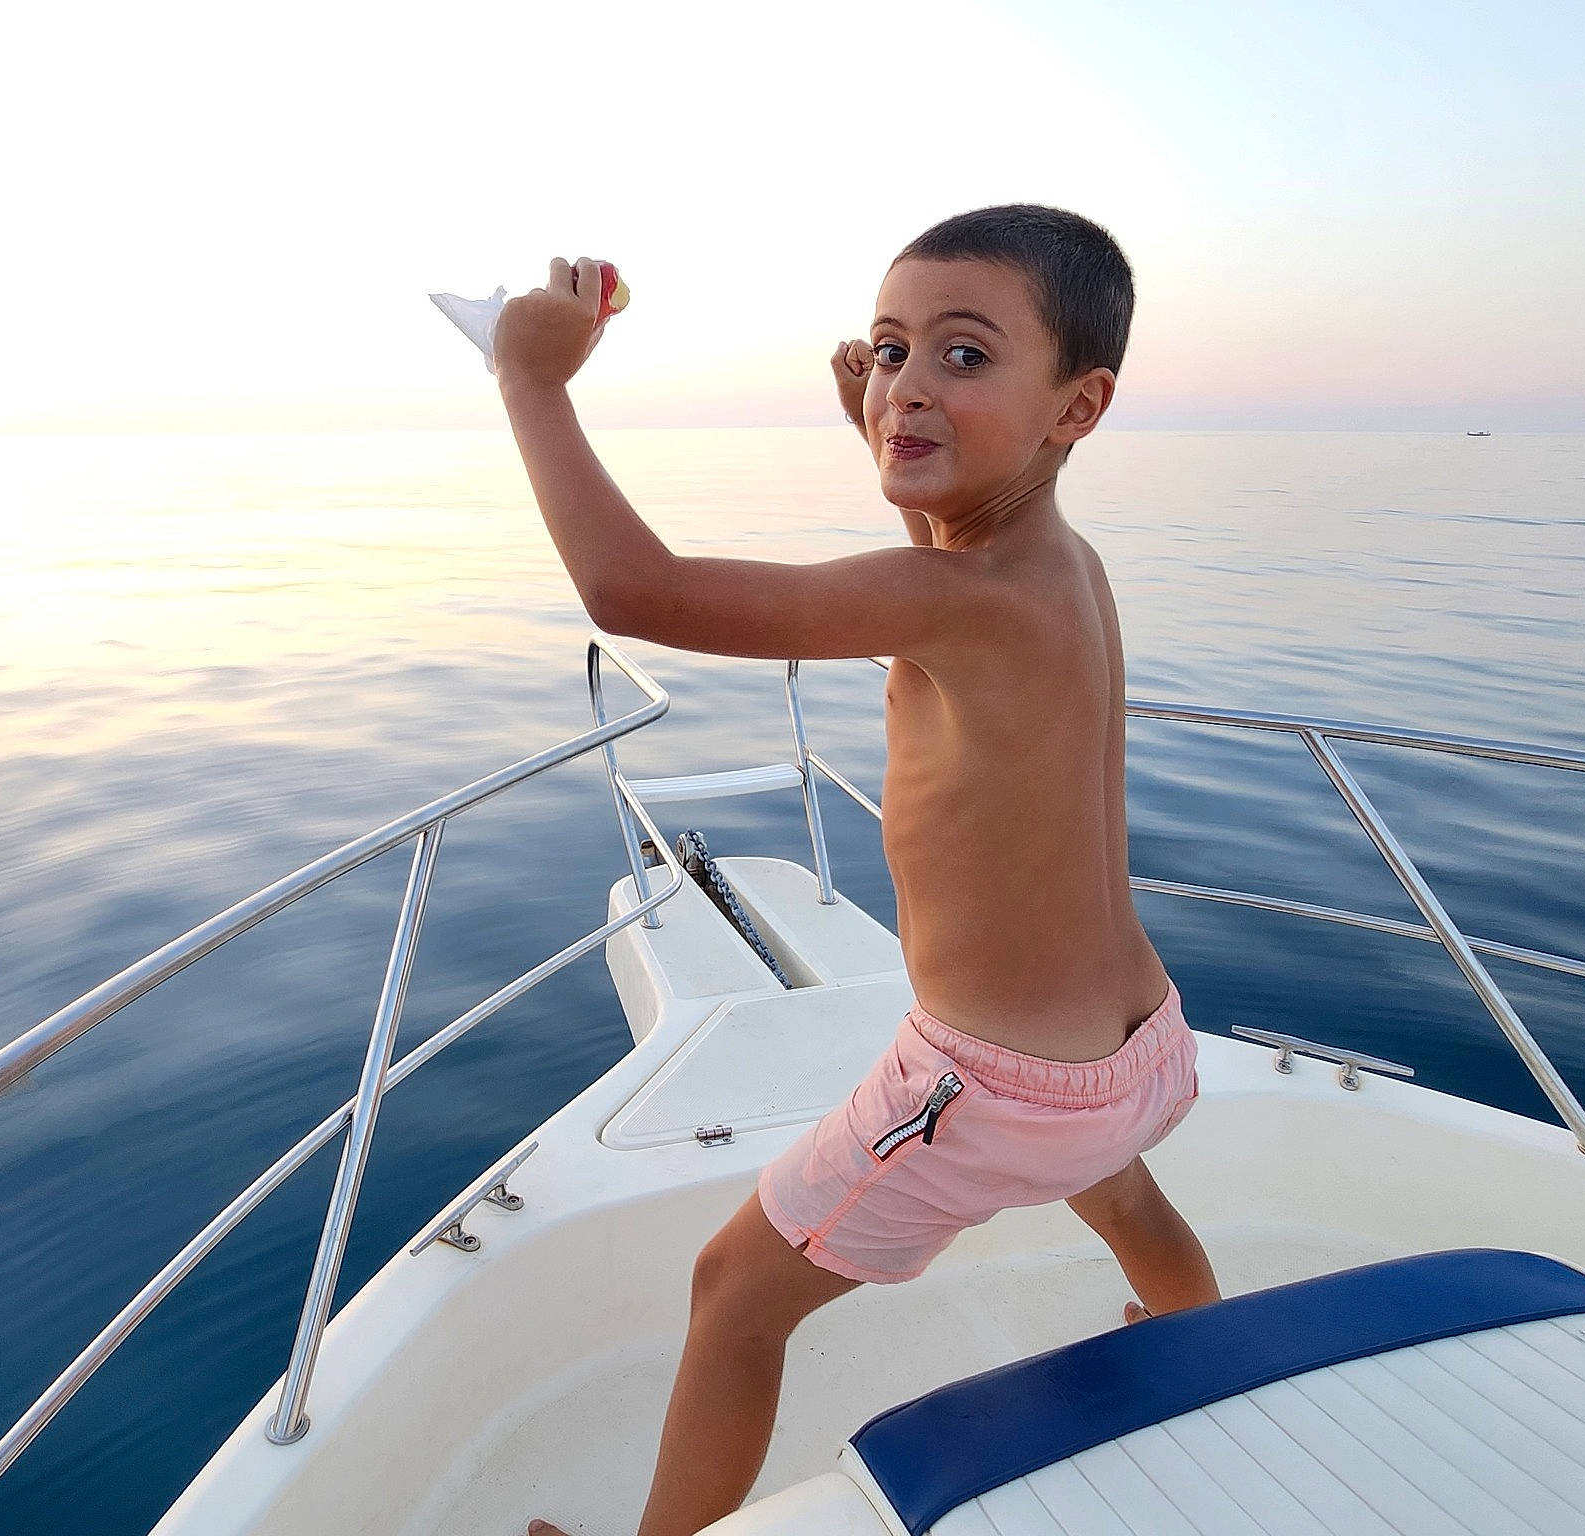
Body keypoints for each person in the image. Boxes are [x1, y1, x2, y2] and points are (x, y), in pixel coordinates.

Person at [492, 205, 1220, 1536]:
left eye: (961, 355)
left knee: (734, 1296)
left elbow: (632, 589)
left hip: (991, 1088)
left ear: (1080, 405)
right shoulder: (1065, 569)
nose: (903, 387)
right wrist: (897, 422)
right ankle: (1216, 1366)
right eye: (888, 353)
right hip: (1140, 1052)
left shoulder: (951, 598)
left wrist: (530, 373)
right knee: (1122, 1194)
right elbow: (947, 520)